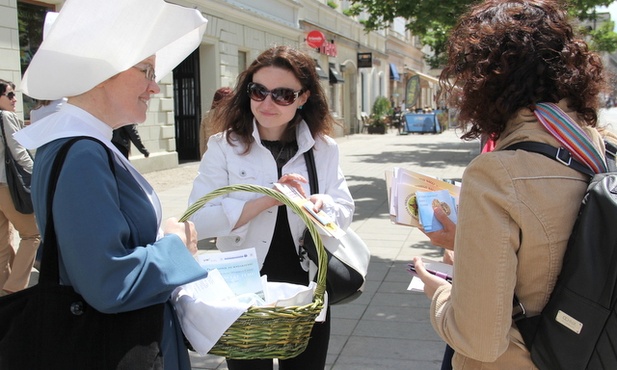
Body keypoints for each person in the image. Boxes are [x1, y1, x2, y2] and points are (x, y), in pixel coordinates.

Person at [412, 0, 609, 368]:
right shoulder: (602, 149)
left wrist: (439, 294)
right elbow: (565, 253)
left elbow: (480, 339)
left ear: (485, 81)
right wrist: (466, 242)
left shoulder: (496, 174)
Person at [14, 0, 209, 368]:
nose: (155, 87)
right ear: (104, 71)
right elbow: (109, 283)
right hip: (114, 344)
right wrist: (176, 245)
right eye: (147, 71)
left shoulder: (76, 143)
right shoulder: (82, 152)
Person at [188, 45, 355, 370]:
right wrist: (269, 198)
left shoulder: (322, 148)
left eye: (282, 94)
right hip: (243, 287)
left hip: (306, 286)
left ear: (303, 97)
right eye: (258, 91)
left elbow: (344, 209)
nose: (267, 103)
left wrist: (323, 206)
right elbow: (199, 219)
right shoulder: (225, 146)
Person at [0, 79, 41, 296]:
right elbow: (19, 152)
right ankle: (14, 288)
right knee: (32, 234)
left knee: (2, 244)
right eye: (9, 95)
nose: (15, 99)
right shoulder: (5, 117)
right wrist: (38, 174)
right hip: (7, 186)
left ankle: (5, 291)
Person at [199, 86, 233, 157]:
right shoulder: (233, 114)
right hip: (227, 154)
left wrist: (202, 156)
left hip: (209, 153)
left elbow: (202, 140)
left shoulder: (207, 115)